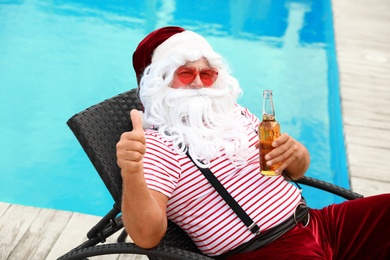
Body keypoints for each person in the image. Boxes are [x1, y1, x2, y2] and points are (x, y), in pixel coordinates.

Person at [116, 26, 389, 259]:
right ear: (161, 81)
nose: (199, 83)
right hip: (266, 249)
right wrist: (131, 171)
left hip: (319, 224)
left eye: (207, 74)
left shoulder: (233, 113)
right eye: (186, 73)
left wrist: (296, 153)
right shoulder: (155, 146)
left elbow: (296, 171)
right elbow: (146, 237)